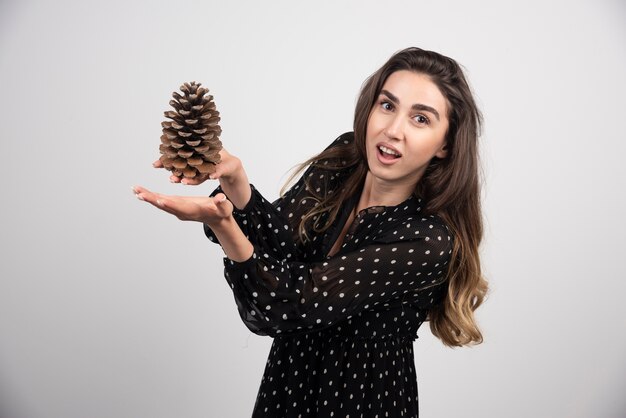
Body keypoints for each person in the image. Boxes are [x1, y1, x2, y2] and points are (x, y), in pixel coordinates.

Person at [133, 47, 488, 418]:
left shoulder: (427, 241)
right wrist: (236, 181)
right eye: (387, 106)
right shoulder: (346, 155)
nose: (393, 130)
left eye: (420, 119)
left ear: (445, 144)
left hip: (360, 402)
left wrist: (223, 223)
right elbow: (284, 241)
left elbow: (293, 301)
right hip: (287, 387)